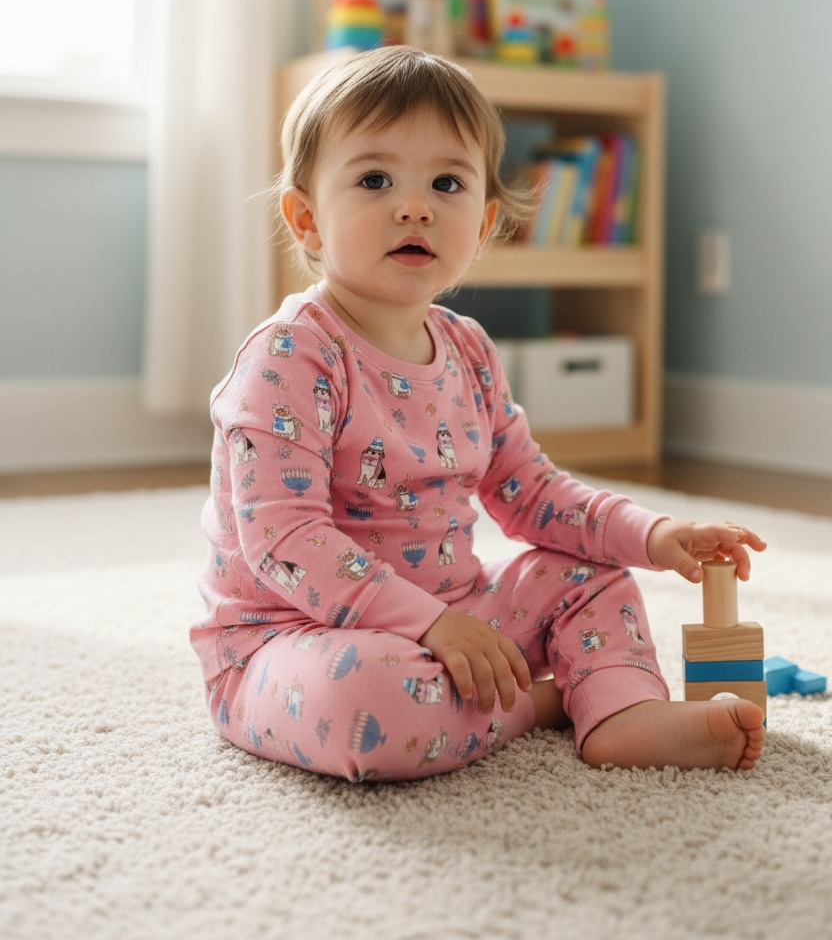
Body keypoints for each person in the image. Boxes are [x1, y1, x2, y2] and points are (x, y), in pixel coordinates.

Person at [190, 45, 766, 782]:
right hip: (291, 643)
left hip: (454, 613)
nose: (414, 205)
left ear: (485, 220)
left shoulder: (468, 350)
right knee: (370, 702)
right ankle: (543, 704)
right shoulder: (289, 357)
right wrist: (431, 626)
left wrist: (654, 536)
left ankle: (622, 712)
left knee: (590, 577)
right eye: (374, 179)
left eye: (446, 182)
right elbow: (284, 538)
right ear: (306, 220)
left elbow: (535, 492)